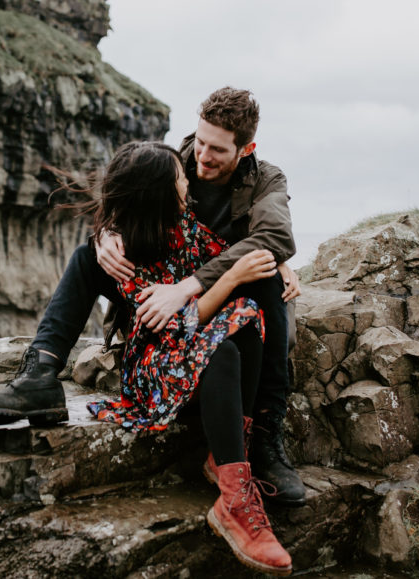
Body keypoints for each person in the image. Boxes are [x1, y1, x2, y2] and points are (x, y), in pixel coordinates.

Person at [0, 87, 305, 505]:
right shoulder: (172, 162)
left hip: (209, 297)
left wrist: (187, 287)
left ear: (246, 148)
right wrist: (105, 231)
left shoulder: (266, 178)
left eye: (217, 149)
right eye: (199, 142)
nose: (202, 156)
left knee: (267, 274)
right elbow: (127, 193)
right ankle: (39, 374)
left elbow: (273, 236)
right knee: (87, 257)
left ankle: (265, 437)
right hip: (152, 300)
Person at [76, 140, 294, 574]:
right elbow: (175, 327)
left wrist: (281, 264)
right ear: (161, 190)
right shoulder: (127, 250)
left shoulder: (187, 224)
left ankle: (229, 458)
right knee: (226, 350)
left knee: (247, 318)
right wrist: (232, 275)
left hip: (186, 351)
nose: (188, 181)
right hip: (153, 365)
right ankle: (234, 497)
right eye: (180, 178)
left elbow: (243, 249)